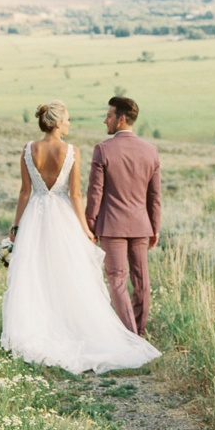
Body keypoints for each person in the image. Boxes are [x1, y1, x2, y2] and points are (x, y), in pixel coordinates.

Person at [0, 99, 159, 375]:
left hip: (35, 218)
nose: (71, 124)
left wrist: (16, 225)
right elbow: (75, 195)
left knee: (35, 275)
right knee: (70, 275)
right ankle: (117, 331)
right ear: (58, 123)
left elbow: (25, 192)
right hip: (63, 219)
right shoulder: (72, 152)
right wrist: (85, 228)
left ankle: (40, 328)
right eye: (69, 119)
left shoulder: (28, 149)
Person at [86, 96, 161, 336]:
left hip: (111, 227)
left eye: (108, 115)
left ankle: (129, 335)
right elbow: (154, 196)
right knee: (142, 280)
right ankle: (138, 330)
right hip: (142, 226)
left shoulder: (103, 150)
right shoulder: (151, 151)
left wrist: (90, 225)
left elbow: (95, 193)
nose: (105, 120)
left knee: (117, 279)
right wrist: (155, 228)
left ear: (121, 119)